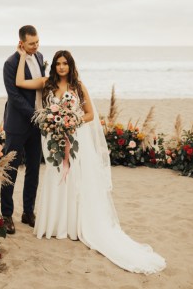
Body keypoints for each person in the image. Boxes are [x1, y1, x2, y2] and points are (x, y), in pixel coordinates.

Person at [15, 47, 166, 275]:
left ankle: (75, 226)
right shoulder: (47, 83)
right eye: (58, 63)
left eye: (65, 63)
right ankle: (56, 225)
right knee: (57, 177)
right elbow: (20, 82)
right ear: (54, 66)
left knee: (75, 179)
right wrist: (22, 56)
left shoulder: (78, 86)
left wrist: (72, 119)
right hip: (54, 140)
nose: (62, 67)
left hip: (75, 139)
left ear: (71, 65)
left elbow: (90, 115)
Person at [0, 25, 45, 234]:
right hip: (18, 125)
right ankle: (7, 215)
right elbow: (15, 97)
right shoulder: (10, 64)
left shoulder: (40, 57)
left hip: (38, 125)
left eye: (37, 42)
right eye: (31, 43)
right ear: (21, 43)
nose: (35, 46)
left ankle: (28, 212)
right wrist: (35, 115)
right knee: (10, 170)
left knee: (34, 170)